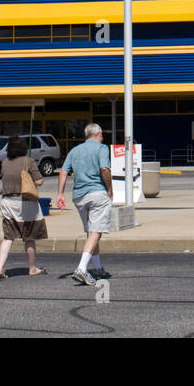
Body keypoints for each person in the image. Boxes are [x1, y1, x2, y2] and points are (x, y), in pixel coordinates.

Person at [55, 122, 113, 285]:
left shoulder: (74, 151)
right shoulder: (102, 149)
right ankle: (81, 268)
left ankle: (98, 268)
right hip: (97, 193)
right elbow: (104, 170)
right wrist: (110, 189)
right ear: (99, 134)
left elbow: (63, 172)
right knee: (96, 232)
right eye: (102, 135)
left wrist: (60, 193)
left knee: (91, 232)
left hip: (79, 196)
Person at [0, 136, 47, 281]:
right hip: (25, 203)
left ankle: (0, 268)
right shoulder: (28, 161)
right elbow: (39, 181)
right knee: (29, 238)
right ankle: (32, 268)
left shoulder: (4, 162)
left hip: (6, 201)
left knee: (8, 237)